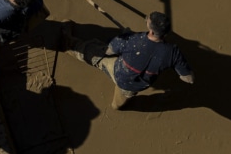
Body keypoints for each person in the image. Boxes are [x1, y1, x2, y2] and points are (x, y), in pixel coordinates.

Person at [61, 12, 194, 110]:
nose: (147, 19)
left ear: (151, 31)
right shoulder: (173, 52)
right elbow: (189, 79)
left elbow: (109, 51)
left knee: (95, 53)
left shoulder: (132, 40)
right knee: (118, 104)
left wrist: (124, 36)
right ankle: (117, 105)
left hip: (119, 72)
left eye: (148, 20)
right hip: (134, 87)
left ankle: (69, 45)